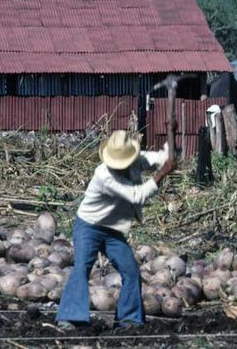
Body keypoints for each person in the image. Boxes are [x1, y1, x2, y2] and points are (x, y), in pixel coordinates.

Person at [56, 130, 176, 330]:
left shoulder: (135, 159)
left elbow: (160, 158)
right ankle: (70, 317)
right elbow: (137, 195)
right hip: (89, 226)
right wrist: (162, 173)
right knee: (82, 268)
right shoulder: (103, 175)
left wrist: (170, 148)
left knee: (131, 271)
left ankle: (128, 319)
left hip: (113, 230)